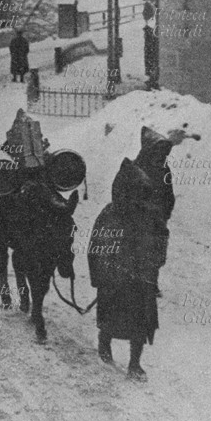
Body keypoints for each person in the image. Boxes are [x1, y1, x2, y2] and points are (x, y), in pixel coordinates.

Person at [88, 158, 166, 380]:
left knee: (141, 323)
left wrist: (154, 265)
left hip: (141, 279)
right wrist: (102, 274)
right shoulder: (110, 214)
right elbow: (97, 246)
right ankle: (105, 343)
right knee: (111, 317)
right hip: (115, 279)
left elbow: (161, 241)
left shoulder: (151, 216)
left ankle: (135, 363)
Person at [134, 127, 174, 295]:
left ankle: (152, 283)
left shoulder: (164, 169)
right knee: (139, 251)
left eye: (163, 151)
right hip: (140, 218)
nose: (160, 154)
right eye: (157, 150)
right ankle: (138, 283)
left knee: (156, 252)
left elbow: (169, 192)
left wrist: (167, 210)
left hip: (159, 217)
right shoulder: (137, 169)